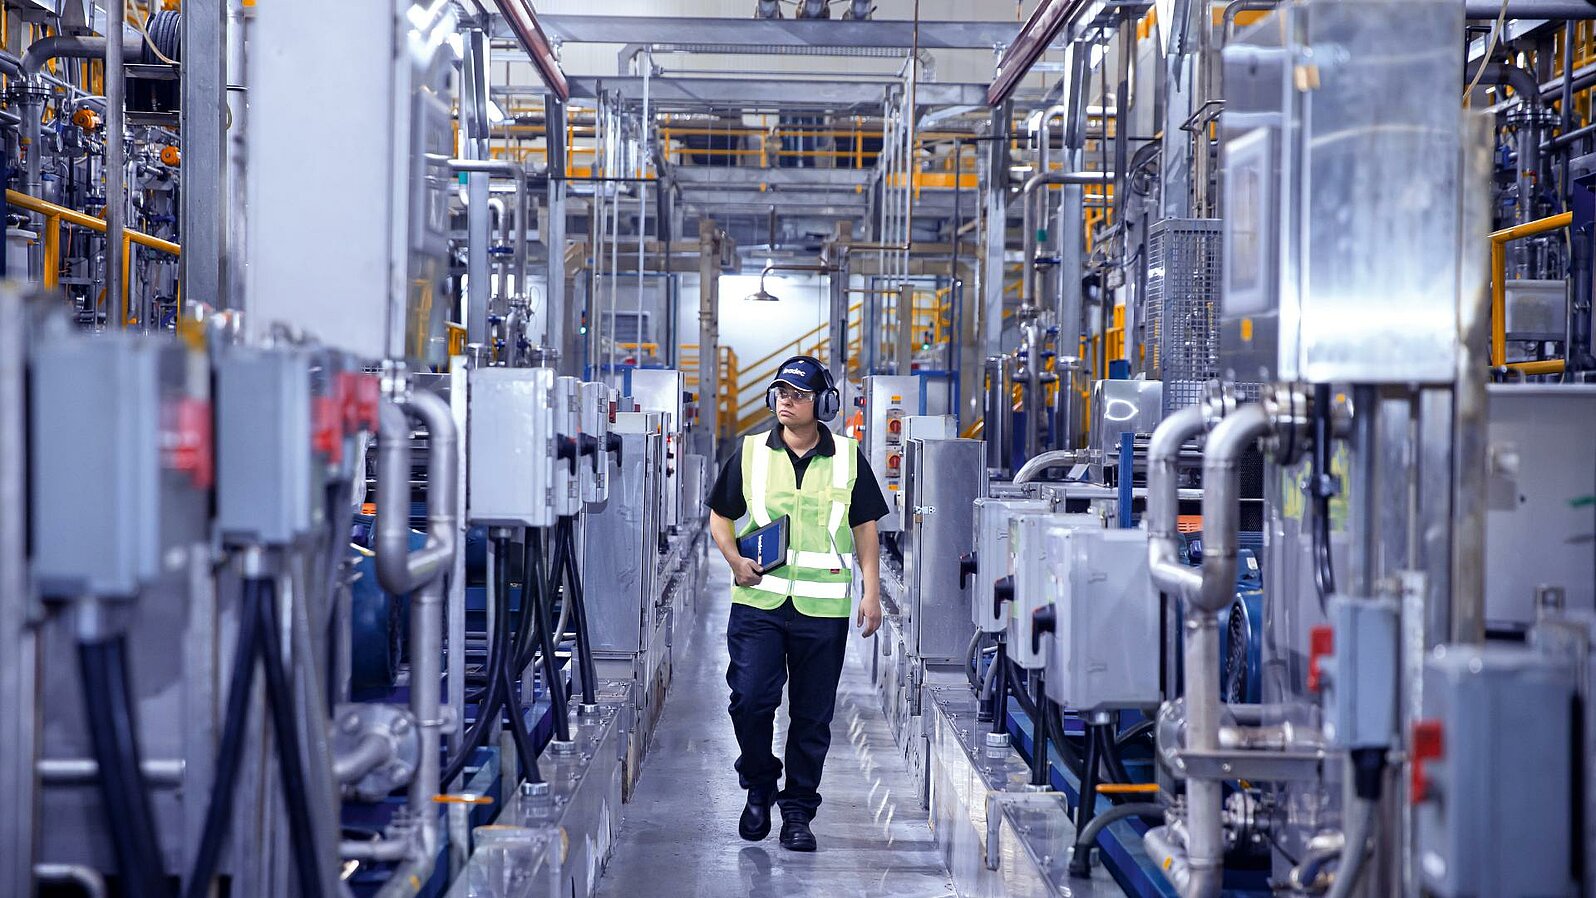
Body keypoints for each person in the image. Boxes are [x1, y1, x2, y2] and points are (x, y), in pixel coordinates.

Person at [706, 355, 888, 853]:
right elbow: (720, 517)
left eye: (799, 393)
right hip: (759, 602)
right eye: (782, 391)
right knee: (750, 699)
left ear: (823, 404)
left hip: (822, 609)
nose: (787, 400)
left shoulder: (849, 458)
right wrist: (733, 560)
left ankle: (798, 812)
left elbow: (864, 527)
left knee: (811, 717)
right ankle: (760, 782)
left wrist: (871, 591)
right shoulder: (750, 454)